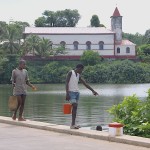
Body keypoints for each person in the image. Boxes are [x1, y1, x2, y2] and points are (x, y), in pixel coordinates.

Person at [66, 64, 98, 129]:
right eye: (81, 70)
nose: (82, 71)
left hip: (77, 93)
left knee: (75, 108)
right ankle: (72, 124)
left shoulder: (78, 75)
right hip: (71, 92)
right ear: (78, 68)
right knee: (74, 105)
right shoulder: (70, 72)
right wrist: (67, 93)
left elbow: (85, 84)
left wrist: (93, 91)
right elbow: (66, 82)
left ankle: (73, 124)